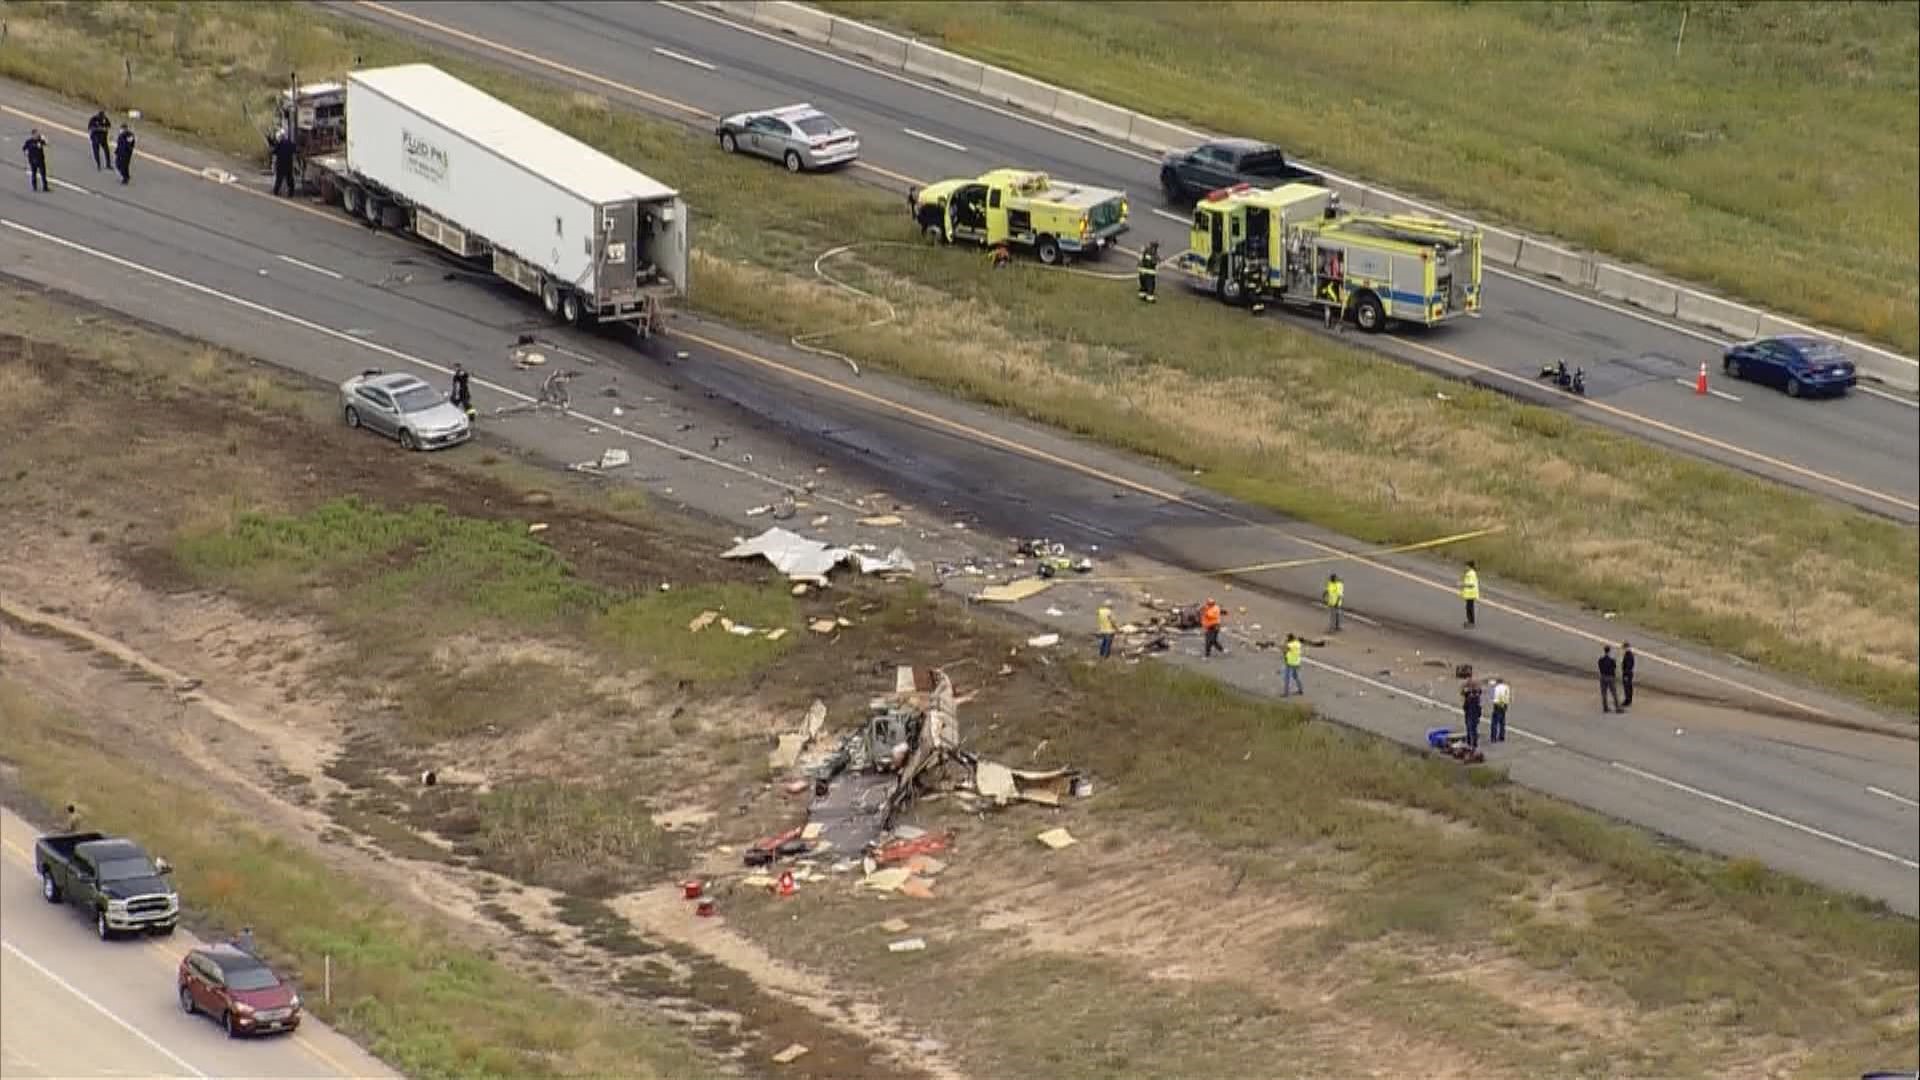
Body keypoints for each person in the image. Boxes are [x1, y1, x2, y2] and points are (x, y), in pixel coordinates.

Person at [269, 128, 299, 197]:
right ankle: (291, 193)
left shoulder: (279, 144)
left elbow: (274, 152)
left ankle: (276, 191)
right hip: (288, 164)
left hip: (281, 164)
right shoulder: (290, 143)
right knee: (290, 179)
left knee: (279, 179)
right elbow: (295, 150)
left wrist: (271, 149)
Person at [1461, 676, 1485, 749]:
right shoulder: (1477, 699)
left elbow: (1465, 706)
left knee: (1470, 729)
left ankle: (1471, 743)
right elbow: (1479, 708)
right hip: (1474, 715)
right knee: (1473, 729)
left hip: (1470, 715)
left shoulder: (1469, 699)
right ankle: (1473, 744)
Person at [22, 129, 49, 193]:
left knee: (43, 174)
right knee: (34, 173)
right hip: (33, 160)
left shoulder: (40, 141)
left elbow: (47, 144)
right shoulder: (29, 141)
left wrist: (44, 138)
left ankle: (45, 187)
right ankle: (34, 186)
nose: (38, 135)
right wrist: (26, 153)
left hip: (40, 160)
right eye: (36, 134)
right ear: (33, 134)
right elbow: (24, 148)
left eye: (38, 134)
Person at [1598, 645, 1621, 713]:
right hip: (1610, 677)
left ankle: (1605, 707)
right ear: (1609, 651)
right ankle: (1617, 708)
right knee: (1614, 693)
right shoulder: (1612, 660)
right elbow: (1614, 667)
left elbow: (1599, 667)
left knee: (1604, 693)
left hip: (1603, 676)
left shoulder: (1601, 660)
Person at [1489, 676, 1510, 743]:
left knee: (1494, 722)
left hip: (1497, 704)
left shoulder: (1496, 688)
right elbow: (1508, 696)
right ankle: (1502, 736)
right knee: (1502, 721)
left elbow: (1493, 696)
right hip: (1504, 705)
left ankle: (1493, 737)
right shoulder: (1506, 687)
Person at [1460, 561, 1480, 628]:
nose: (1465, 567)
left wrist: (1462, 584)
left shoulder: (1471, 574)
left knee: (1469, 608)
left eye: (1466, 566)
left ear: (1469, 566)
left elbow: (1471, 584)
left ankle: (1471, 623)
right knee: (1469, 608)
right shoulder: (1470, 573)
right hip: (1470, 594)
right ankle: (1470, 622)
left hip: (1471, 594)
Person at [1620, 641, 1636, 710]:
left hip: (1627, 674)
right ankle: (1629, 699)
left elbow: (1628, 666)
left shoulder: (1628, 655)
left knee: (1627, 687)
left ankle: (1627, 700)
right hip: (1629, 673)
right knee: (1629, 687)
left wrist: (1626, 675)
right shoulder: (1629, 654)